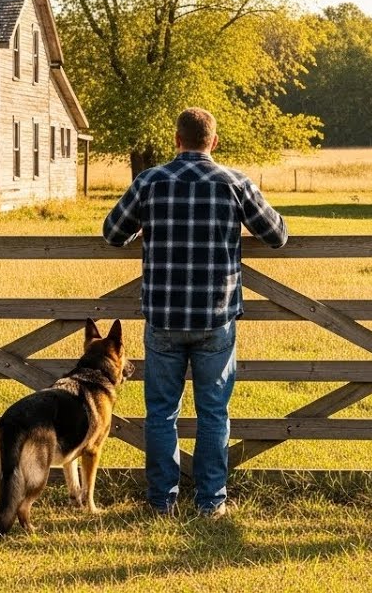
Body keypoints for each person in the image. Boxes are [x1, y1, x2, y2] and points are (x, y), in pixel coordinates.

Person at [102, 107, 287, 517]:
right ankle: (210, 502)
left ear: (176, 140)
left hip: (164, 317)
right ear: (214, 142)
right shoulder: (235, 183)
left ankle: (161, 501)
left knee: (161, 414)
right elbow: (276, 236)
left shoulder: (149, 181)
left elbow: (113, 234)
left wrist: (143, 227)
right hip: (214, 318)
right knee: (213, 413)